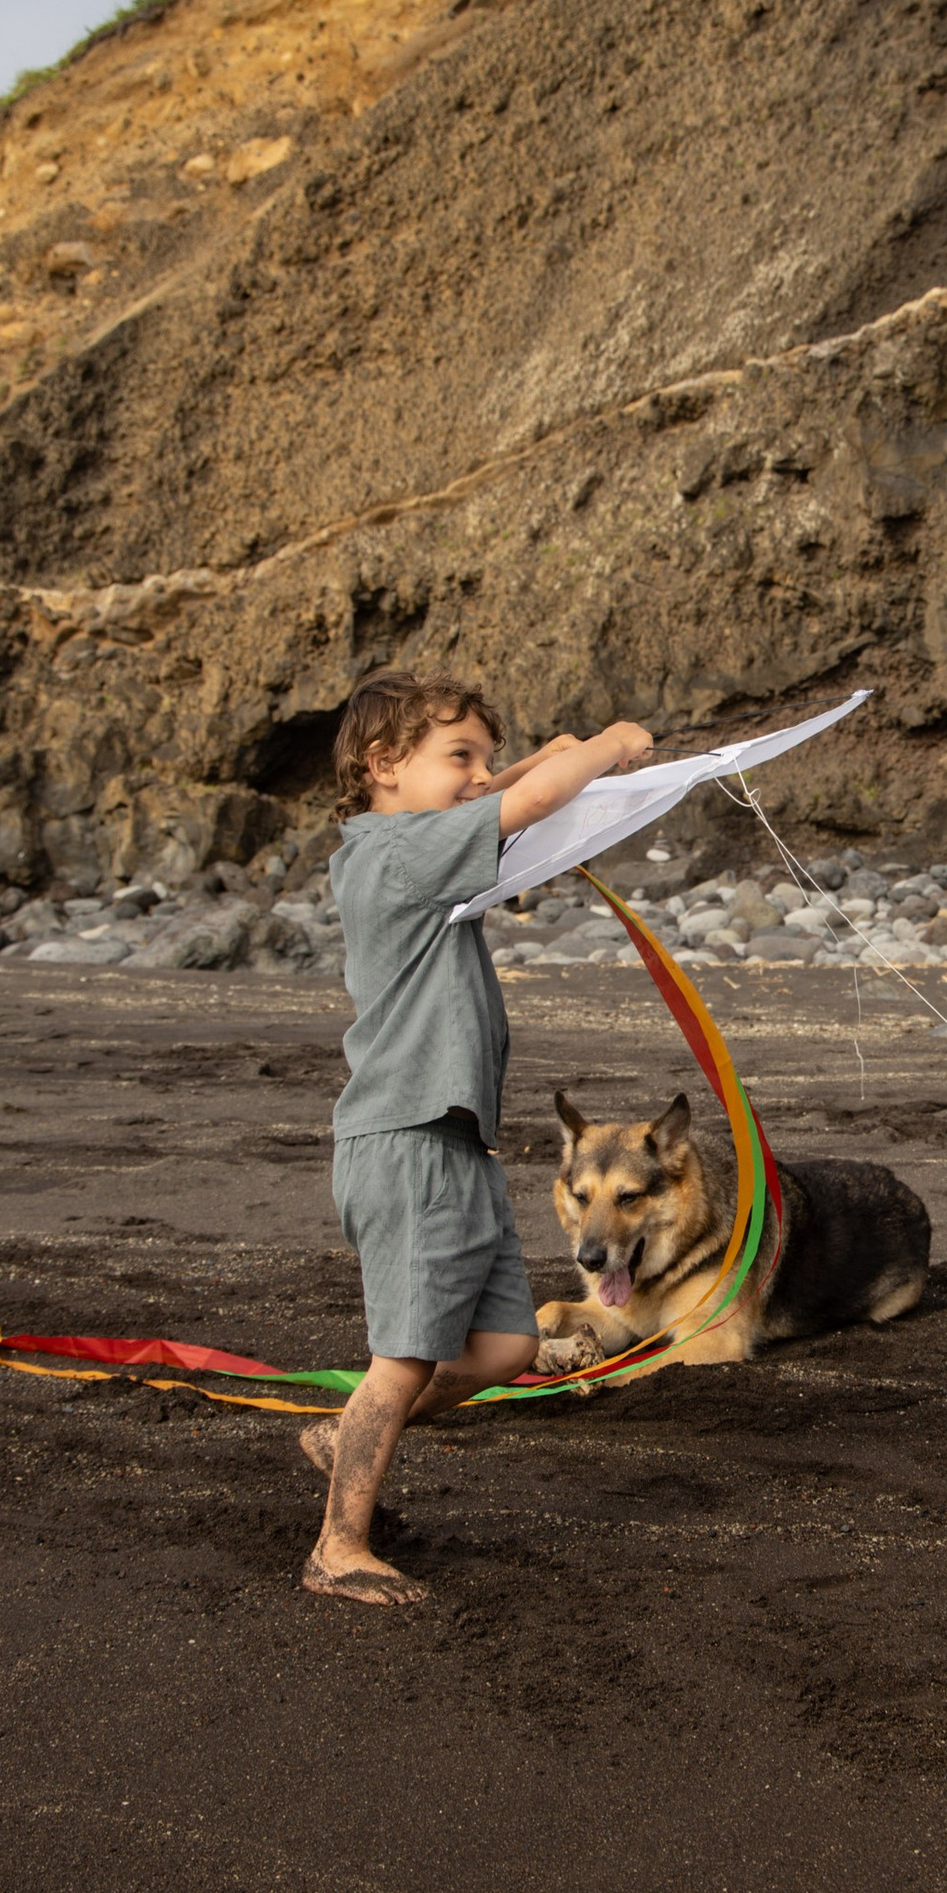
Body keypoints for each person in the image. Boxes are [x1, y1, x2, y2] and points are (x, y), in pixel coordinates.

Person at [301, 669, 652, 1607]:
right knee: (404, 1357)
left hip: (455, 1147)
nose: (479, 775)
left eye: (483, 758)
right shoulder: (398, 851)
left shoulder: (412, 841)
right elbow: (525, 802)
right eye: (458, 755)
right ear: (382, 767)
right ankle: (338, 1547)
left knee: (500, 1351)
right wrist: (612, 744)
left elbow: (508, 791)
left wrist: (543, 757)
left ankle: (346, 1444)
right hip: (409, 1139)